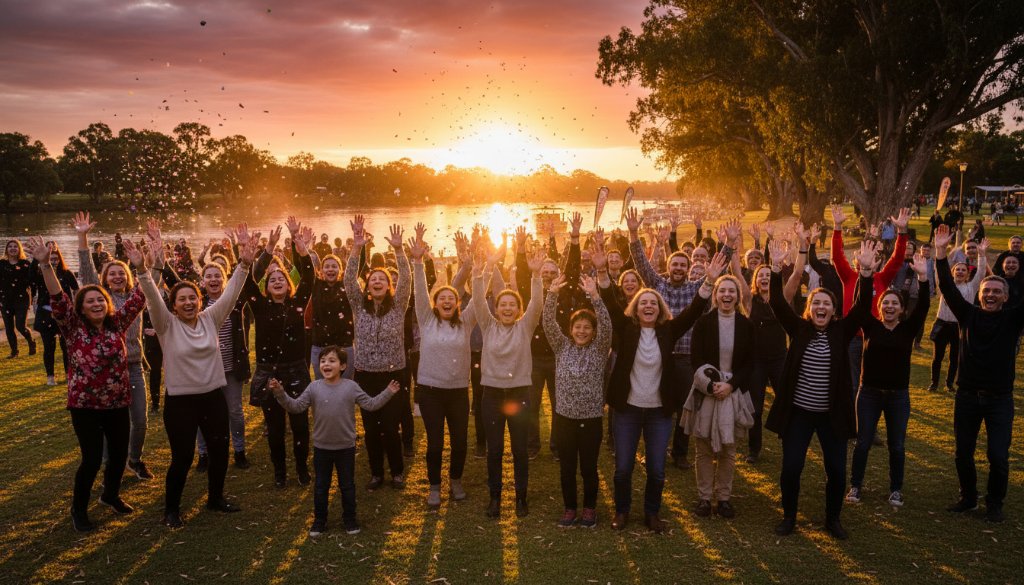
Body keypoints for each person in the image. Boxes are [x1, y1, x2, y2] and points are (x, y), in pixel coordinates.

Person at [138, 224, 258, 528]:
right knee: (182, 458)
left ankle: (215, 499)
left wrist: (244, 263)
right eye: (182, 299)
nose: (189, 302)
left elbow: (231, 293)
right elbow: (152, 298)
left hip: (212, 398)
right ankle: (171, 510)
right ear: (174, 306)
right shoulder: (166, 325)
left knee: (219, 451)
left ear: (200, 300)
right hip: (180, 402)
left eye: (193, 297)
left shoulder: (211, 318)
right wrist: (144, 270)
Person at [26, 235, 146, 532]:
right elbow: (57, 295)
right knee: (92, 459)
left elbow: (140, 297)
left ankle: (110, 495)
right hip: (85, 405)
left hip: (118, 402)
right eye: (90, 300)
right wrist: (45, 265)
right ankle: (79, 509)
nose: (96, 304)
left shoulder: (117, 323)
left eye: (100, 300)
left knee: (118, 456)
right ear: (81, 307)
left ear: (107, 306)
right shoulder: (72, 326)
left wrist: (145, 268)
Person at [605, 248, 725, 533]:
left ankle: (651, 514)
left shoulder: (669, 331)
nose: (648, 306)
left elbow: (695, 309)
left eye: (653, 303)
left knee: (657, 470)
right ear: (635, 307)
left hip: (658, 412)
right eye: (643, 302)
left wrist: (708, 282)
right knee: (623, 468)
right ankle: (621, 512)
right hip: (627, 410)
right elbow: (610, 305)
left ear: (660, 309)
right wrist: (601, 274)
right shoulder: (626, 329)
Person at [767, 240, 875, 540]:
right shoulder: (798, 330)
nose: (821, 307)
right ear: (809, 309)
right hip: (799, 414)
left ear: (834, 310)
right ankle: (789, 517)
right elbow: (777, 303)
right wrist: (775, 269)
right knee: (791, 469)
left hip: (832, 416)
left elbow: (864, 307)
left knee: (838, 473)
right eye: (816, 303)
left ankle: (832, 519)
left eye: (826, 303)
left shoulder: (842, 332)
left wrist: (865, 273)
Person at [934, 225, 1024, 523]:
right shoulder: (968, 315)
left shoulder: (1012, 320)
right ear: (979, 294)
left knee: (998, 456)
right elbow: (946, 287)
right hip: (968, 397)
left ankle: (994, 503)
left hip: (999, 400)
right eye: (987, 291)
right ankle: (968, 497)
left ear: (1006, 298)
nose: (991, 295)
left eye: (997, 292)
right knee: (962, 453)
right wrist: (940, 253)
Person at [270, 346, 399, 536]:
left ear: (343, 366)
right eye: (323, 361)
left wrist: (388, 392)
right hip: (322, 448)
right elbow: (296, 407)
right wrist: (280, 392)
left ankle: (350, 519)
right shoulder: (314, 388)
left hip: (345, 448)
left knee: (347, 486)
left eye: (331, 360)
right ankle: (319, 521)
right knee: (321, 486)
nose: (326, 364)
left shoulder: (351, 387)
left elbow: (371, 405)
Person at [73, 212, 154, 480]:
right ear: (105, 279)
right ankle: (110, 463)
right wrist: (83, 236)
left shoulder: (135, 297)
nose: (118, 276)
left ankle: (135, 459)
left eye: (122, 272)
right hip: (107, 371)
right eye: (113, 273)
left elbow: (151, 278)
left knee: (140, 420)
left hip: (133, 366)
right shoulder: (101, 300)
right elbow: (86, 270)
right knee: (111, 423)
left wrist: (154, 247)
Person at [847, 250, 930, 507]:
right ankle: (855, 487)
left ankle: (895, 489)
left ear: (902, 309)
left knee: (897, 446)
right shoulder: (871, 327)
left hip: (898, 397)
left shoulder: (907, 329)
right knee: (863, 443)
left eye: (895, 303)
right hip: (869, 393)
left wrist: (923, 278)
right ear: (880, 307)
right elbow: (860, 306)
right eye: (886, 303)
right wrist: (866, 274)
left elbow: (924, 305)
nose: (890, 306)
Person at [472, 237, 545, 519]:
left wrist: (536, 275)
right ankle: (494, 498)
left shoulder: (525, 327)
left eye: (511, 304)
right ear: (496, 307)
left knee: (518, 449)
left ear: (518, 309)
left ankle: (521, 498)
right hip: (491, 395)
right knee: (494, 451)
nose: (506, 308)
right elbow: (479, 300)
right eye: (502, 303)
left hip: (519, 395)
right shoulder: (488, 325)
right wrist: (483, 272)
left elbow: (536, 303)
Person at [409, 224, 476, 509]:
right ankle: (435, 487)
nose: (447, 300)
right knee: (435, 443)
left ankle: (456, 481)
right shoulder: (427, 320)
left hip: (459, 392)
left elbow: (481, 300)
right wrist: (416, 261)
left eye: (452, 298)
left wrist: (472, 263)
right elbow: (421, 291)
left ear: (458, 303)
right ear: (435, 304)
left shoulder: (467, 322)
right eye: (442, 298)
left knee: (460, 442)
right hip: (430, 391)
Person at [344, 216, 412, 491]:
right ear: (368, 286)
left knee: (390, 427)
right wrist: (357, 248)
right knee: (371, 429)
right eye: (373, 278)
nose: (378, 281)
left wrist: (399, 250)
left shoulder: (398, 307)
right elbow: (349, 279)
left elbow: (406, 278)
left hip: (393, 376)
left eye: (382, 279)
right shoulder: (359, 307)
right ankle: (376, 473)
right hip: (365, 377)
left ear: (388, 285)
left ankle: (396, 471)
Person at [247, 218, 316, 488]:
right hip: (269, 373)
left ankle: (301, 468)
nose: (277, 281)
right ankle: (279, 473)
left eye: (281, 279)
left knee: (300, 425)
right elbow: (249, 281)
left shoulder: (298, 303)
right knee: (274, 428)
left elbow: (309, 278)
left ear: (289, 285)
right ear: (267, 287)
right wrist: (268, 251)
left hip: (296, 370)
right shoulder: (261, 306)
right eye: (272, 280)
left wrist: (303, 252)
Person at [543, 273, 611, 528]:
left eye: (586, 327)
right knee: (567, 467)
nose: (581, 331)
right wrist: (551, 295)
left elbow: (607, 325)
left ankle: (590, 509)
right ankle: (570, 508)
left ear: (593, 332)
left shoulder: (599, 348)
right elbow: (548, 323)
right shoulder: (562, 347)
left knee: (589, 468)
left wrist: (596, 298)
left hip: (591, 419)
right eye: (577, 327)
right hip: (564, 419)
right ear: (571, 330)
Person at [684, 273, 754, 519]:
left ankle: (723, 498)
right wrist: (713, 385)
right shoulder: (703, 323)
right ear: (715, 295)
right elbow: (696, 358)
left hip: (732, 393)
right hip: (707, 391)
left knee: (728, 448)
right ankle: (704, 498)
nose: (726, 295)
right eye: (722, 290)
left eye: (731, 291)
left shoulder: (746, 324)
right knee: (703, 447)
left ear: (737, 296)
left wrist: (731, 385)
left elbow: (749, 364)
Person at [928, 239, 987, 392]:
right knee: (937, 357)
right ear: (952, 272)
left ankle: (949, 384)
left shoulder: (972, 287)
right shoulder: (946, 287)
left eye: (963, 270)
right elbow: (939, 272)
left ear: (967, 274)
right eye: (957, 270)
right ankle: (934, 383)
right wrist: (940, 252)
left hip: (959, 326)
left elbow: (981, 272)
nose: (960, 272)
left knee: (955, 357)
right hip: (942, 324)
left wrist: (982, 255)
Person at [30, 241, 79, 385]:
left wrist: (76, 305)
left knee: (66, 346)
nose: (54, 261)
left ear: (60, 259)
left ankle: (67, 374)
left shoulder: (67, 273)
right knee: (49, 347)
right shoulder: (40, 273)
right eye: (51, 259)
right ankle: (50, 377)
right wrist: (36, 259)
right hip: (46, 314)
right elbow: (31, 277)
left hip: (65, 316)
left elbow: (76, 289)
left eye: (56, 259)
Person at [1, 239, 36, 359]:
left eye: (15, 246)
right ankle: (14, 352)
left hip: (22, 300)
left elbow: (32, 283)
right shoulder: (1, 264)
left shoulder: (25, 264)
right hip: (5, 300)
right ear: (6, 249)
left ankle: (31, 342)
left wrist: (33, 298)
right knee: (9, 327)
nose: (12, 248)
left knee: (20, 326)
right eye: (10, 246)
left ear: (19, 249)